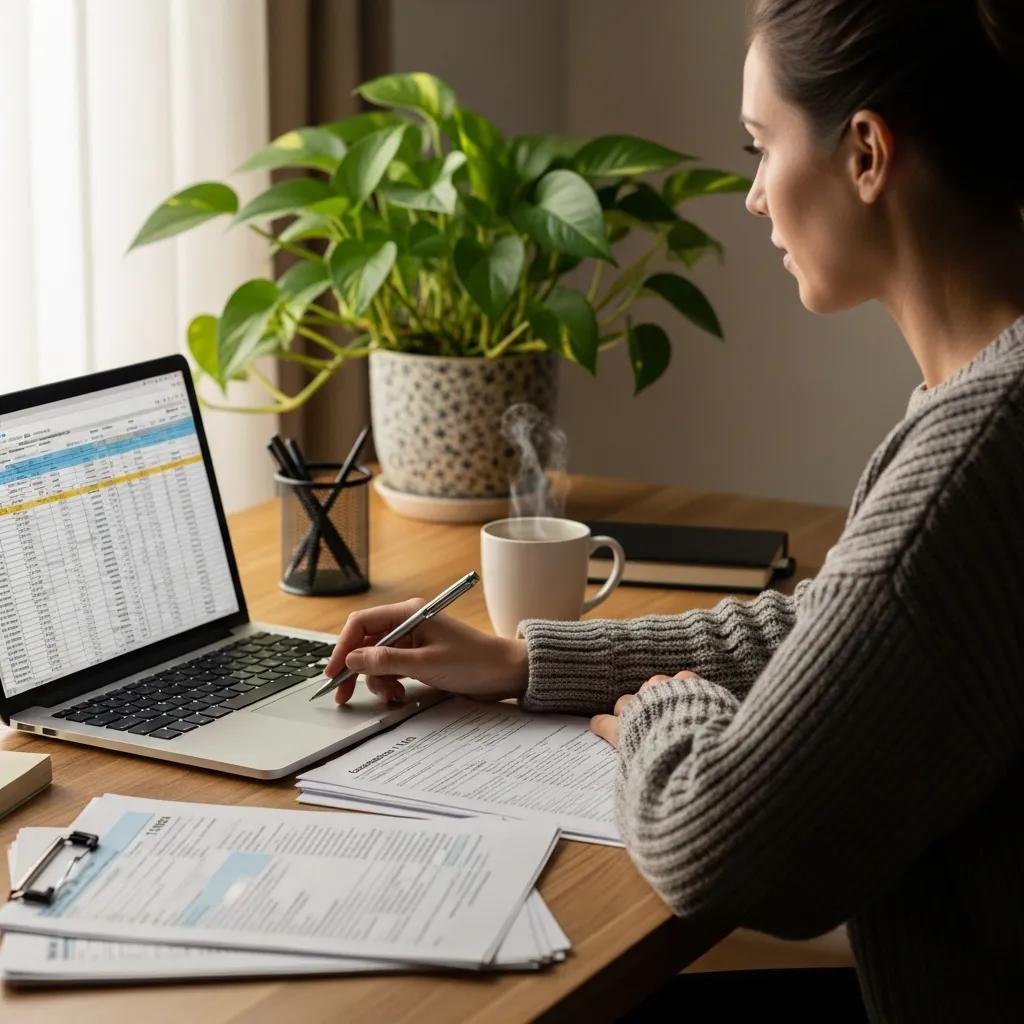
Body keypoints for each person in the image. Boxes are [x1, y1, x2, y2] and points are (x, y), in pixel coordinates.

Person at [324, 1, 1024, 1019]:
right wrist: (534, 662)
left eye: (760, 145)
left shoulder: (975, 456)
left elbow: (725, 845)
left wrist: (663, 710)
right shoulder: (989, 401)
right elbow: (853, 627)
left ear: (867, 152)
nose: (750, 196)